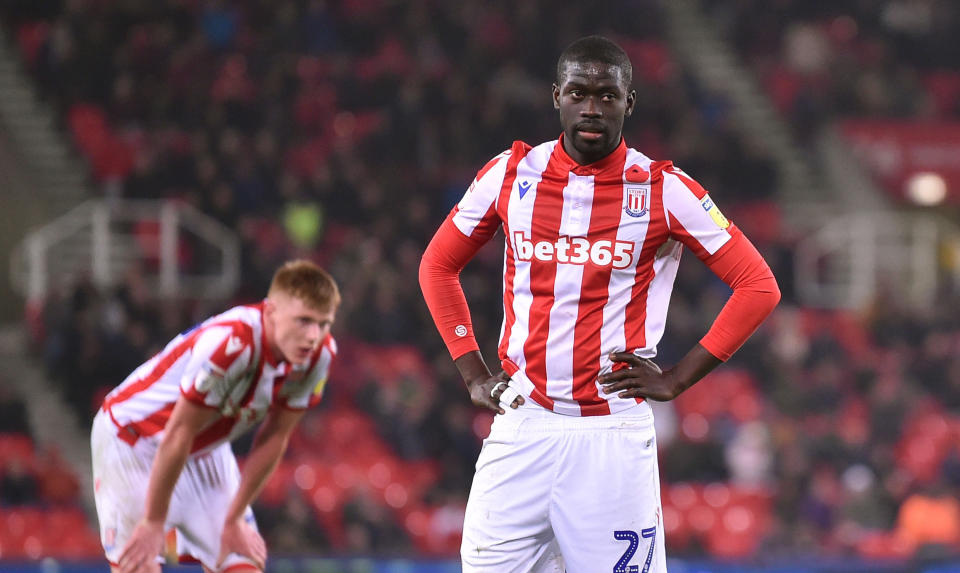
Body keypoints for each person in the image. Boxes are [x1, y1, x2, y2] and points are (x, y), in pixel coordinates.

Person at [419, 35, 780, 572]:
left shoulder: (664, 190)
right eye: (579, 93)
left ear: (629, 102)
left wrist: (678, 378)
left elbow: (758, 285)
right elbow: (436, 266)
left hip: (611, 434)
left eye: (607, 96)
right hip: (522, 424)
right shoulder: (511, 175)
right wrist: (472, 373)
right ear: (556, 96)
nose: (592, 109)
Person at [91, 260, 340, 573]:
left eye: (323, 323)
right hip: (133, 439)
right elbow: (178, 431)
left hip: (202, 446)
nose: (313, 336)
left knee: (242, 561)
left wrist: (234, 518)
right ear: (272, 310)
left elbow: (276, 436)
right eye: (303, 321)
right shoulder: (233, 341)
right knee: (139, 564)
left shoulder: (320, 355)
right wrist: (154, 521)